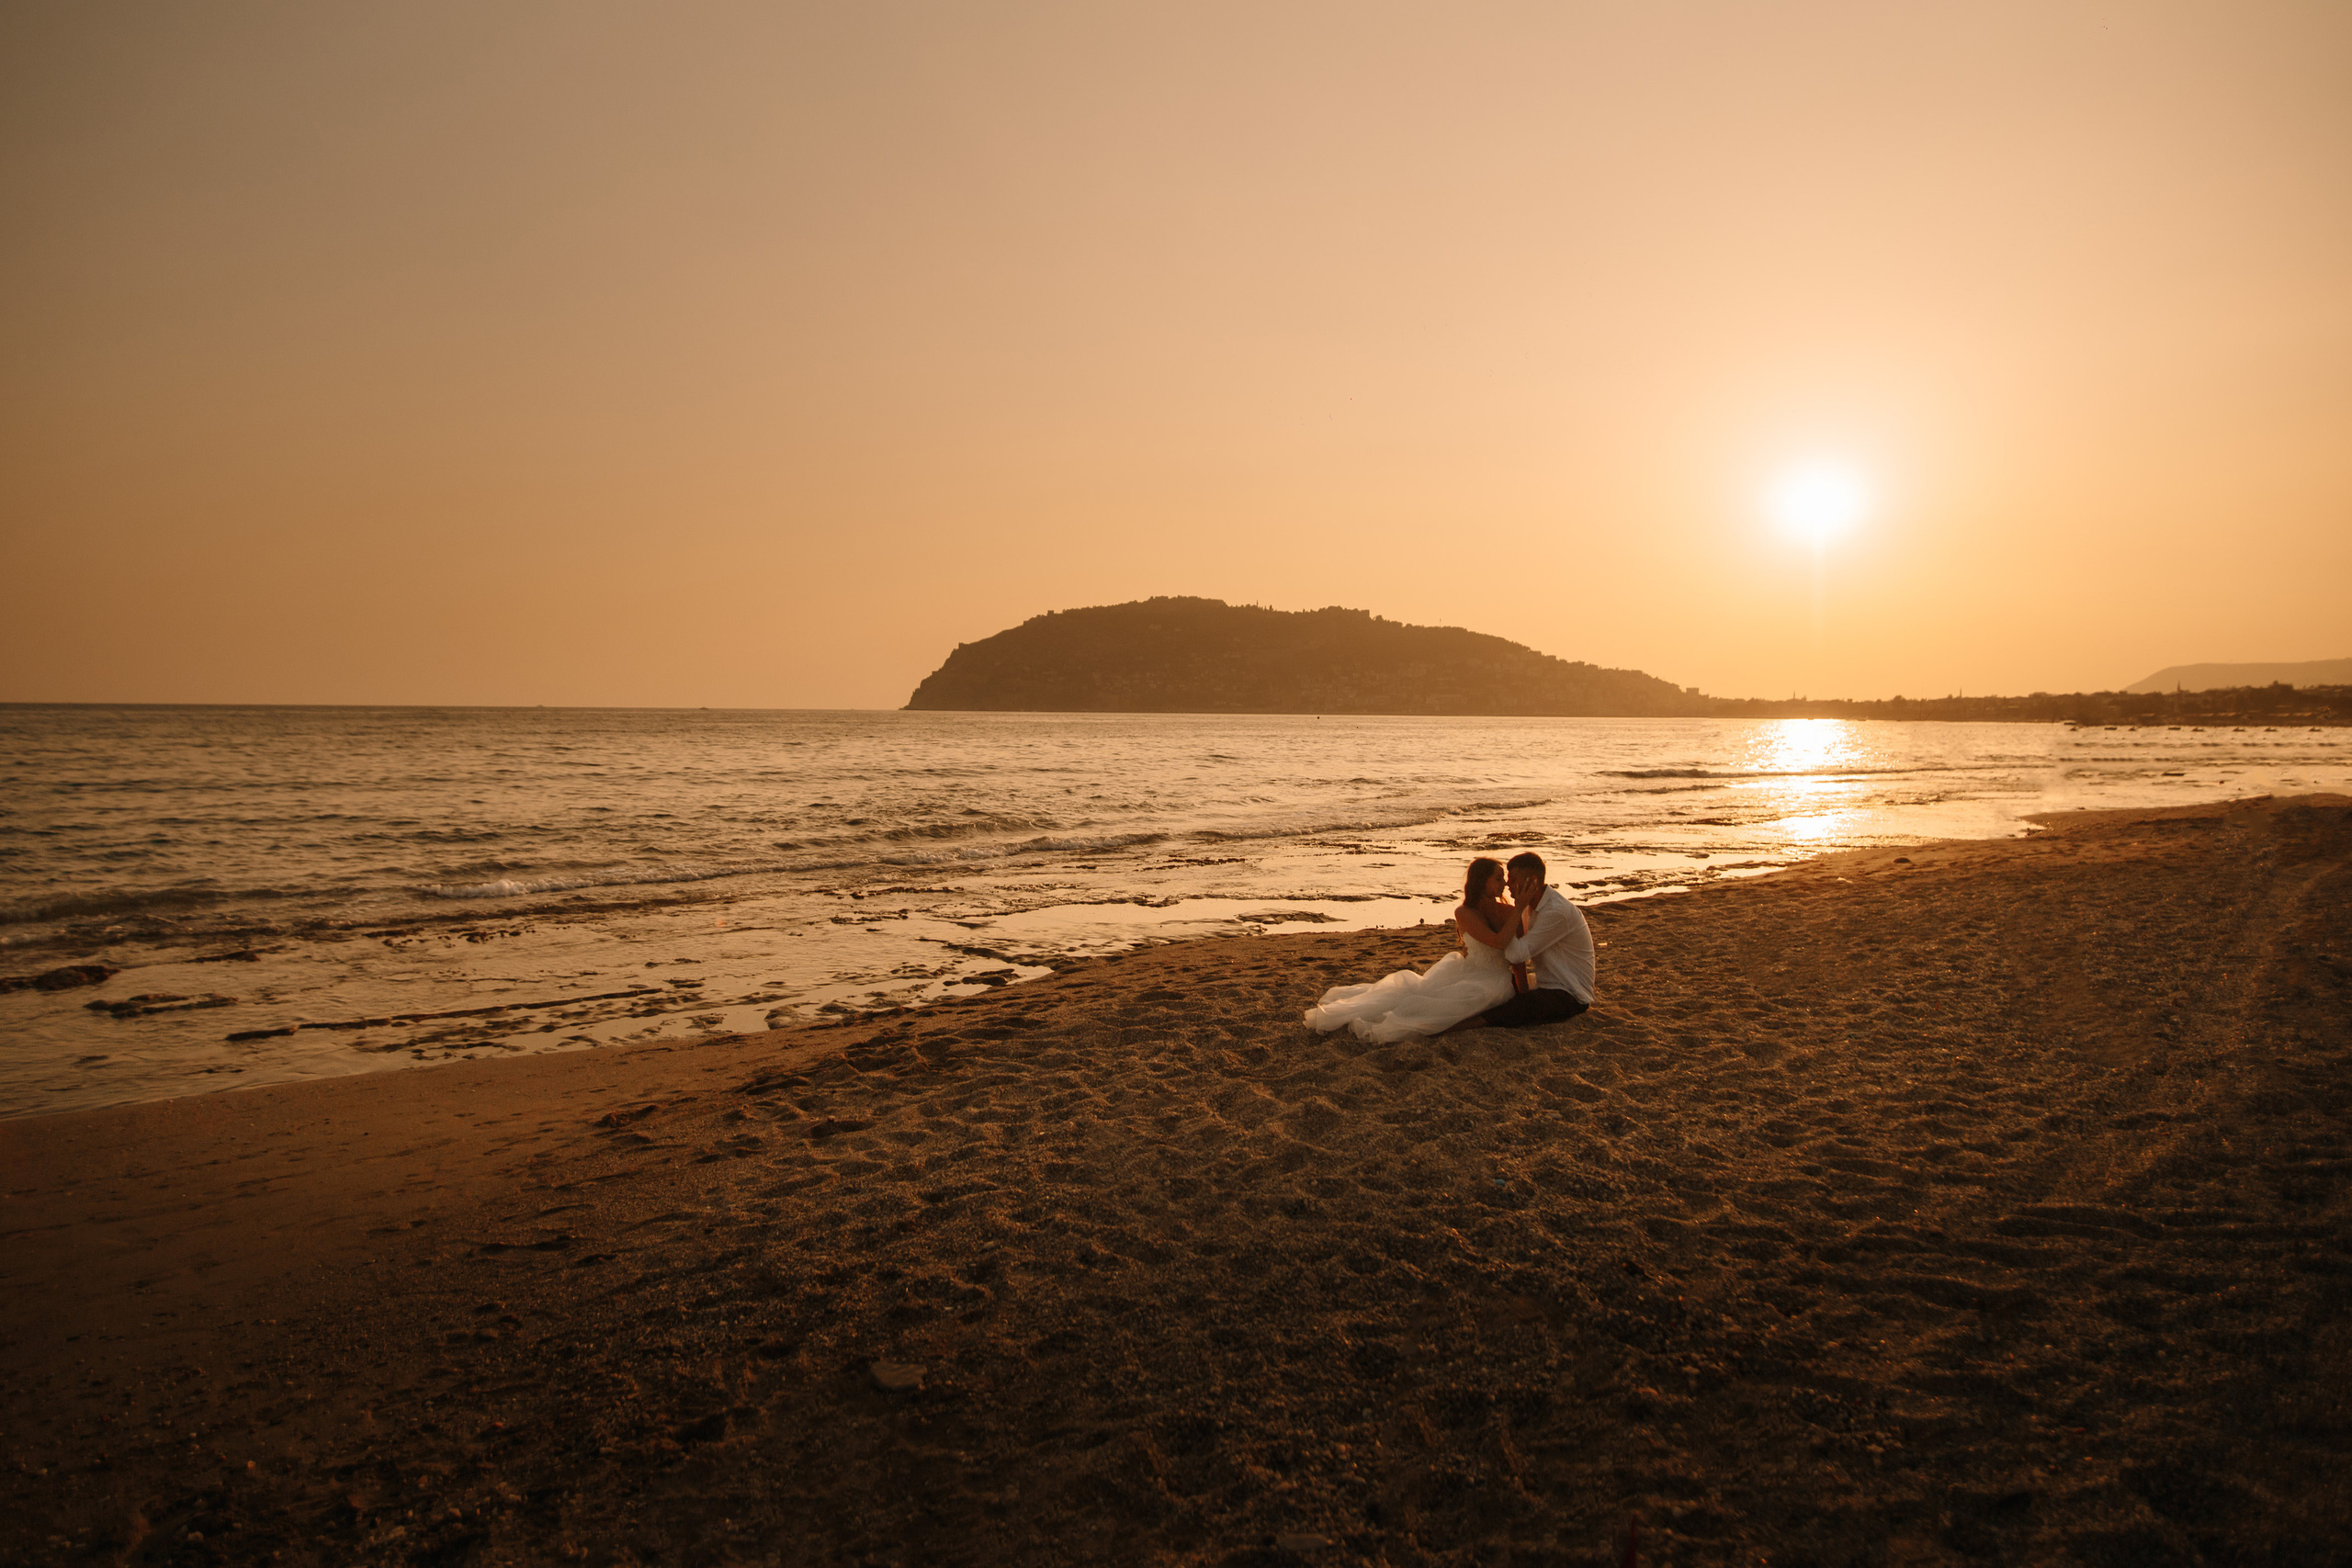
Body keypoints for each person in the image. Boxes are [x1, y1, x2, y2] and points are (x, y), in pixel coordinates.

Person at [1303, 857, 1521, 1043]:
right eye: (1498, 878)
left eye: (1503, 878)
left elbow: (1519, 950)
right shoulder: (1464, 912)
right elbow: (1498, 942)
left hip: (1496, 976)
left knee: (1466, 999)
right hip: (1469, 970)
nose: (1503, 883)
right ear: (1481, 881)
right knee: (1421, 997)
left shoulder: (1507, 912)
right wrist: (1520, 908)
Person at [1478, 851, 1595, 1028]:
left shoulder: (1556, 911)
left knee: (1518, 1007)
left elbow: (1517, 954)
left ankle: (1467, 1024)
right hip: (1546, 986)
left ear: (1532, 881)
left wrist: (1512, 913)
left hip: (1570, 993)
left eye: (1513, 879)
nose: (1508, 884)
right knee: (1492, 986)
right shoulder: (1528, 907)